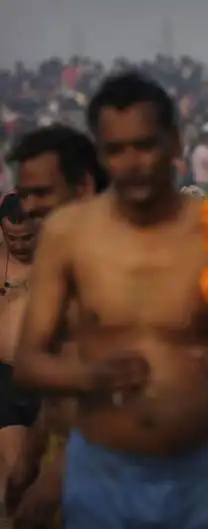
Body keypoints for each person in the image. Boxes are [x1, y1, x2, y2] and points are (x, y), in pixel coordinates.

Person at [12, 71, 208, 529]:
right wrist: (92, 374)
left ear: (175, 143)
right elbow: (29, 362)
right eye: (116, 150)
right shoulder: (70, 235)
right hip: (101, 469)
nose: (132, 163)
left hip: (196, 473)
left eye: (145, 145)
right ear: (101, 155)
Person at [4, 125, 110, 528]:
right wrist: (31, 459)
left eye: (41, 193)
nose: (29, 207)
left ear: (83, 185)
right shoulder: (62, 258)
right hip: (62, 453)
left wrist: (53, 477)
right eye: (24, 193)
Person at [0, 193, 37, 495]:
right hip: (5, 380)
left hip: (46, 378)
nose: (19, 246)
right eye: (11, 238)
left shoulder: (55, 261)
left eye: (26, 238)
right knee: (16, 475)